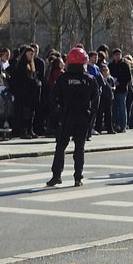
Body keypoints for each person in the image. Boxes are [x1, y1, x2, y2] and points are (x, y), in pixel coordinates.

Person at [46, 47, 100, 187]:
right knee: (79, 148)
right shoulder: (89, 79)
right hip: (82, 117)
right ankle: (78, 177)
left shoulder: (63, 79)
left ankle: (56, 175)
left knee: (60, 147)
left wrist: (58, 112)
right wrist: (91, 115)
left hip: (66, 116)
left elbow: (53, 98)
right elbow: (96, 100)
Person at [9, 46, 42, 138]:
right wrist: (34, 82)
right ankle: (23, 131)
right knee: (24, 113)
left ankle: (29, 129)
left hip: (31, 93)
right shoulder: (22, 64)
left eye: (33, 53)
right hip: (23, 93)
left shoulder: (31, 64)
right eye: (30, 53)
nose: (32, 55)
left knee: (31, 112)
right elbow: (23, 78)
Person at [109, 49, 131, 133]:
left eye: (119, 54)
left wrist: (120, 82)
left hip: (122, 89)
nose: (117, 56)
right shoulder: (111, 65)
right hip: (113, 89)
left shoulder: (124, 65)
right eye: (116, 55)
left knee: (122, 107)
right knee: (114, 108)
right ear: (113, 56)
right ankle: (116, 124)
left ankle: (123, 126)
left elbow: (128, 78)